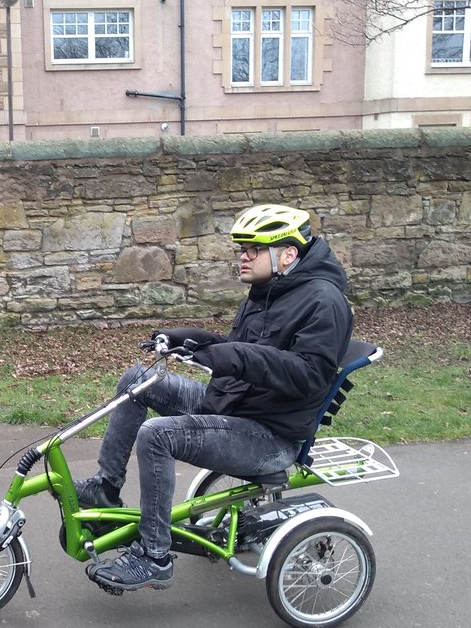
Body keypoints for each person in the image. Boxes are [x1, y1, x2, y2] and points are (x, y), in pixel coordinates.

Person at [80, 203, 353, 593]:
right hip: (233, 407)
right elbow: (242, 350)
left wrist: (236, 357)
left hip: (269, 435)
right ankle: (105, 489)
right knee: (136, 381)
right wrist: (188, 339)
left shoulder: (324, 302)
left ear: (288, 253)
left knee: (157, 435)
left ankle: (154, 555)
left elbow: (308, 376)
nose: (242, 256)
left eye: (253, 249)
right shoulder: (269, 291)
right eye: (241, 248)